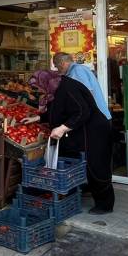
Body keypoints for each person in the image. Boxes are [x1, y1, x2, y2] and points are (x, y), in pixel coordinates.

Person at [29, 66, 115, 214]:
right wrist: (38, 117)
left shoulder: (67, 88)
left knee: (96, 166)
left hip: (93, 131)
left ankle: (105, 204)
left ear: (45, 81)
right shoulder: (55, 87)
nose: (38, 91)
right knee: (79, 162)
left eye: (38, 87)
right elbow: (57, 109)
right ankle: (86, 189)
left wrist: (62, 128)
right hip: (79, 131)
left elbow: (82, 111)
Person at [53, 52, 111, 120]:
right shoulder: (75, 70)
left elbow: (88, 94)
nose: (57, 69)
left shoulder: (77, 70)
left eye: (56, 66)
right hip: (96, 117)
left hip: (96, 118)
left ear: (62, 63)